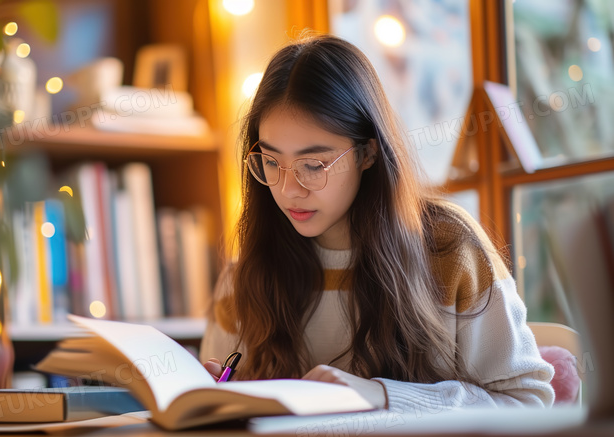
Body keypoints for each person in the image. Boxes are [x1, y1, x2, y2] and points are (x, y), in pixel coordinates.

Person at [200, 34, 554, 413]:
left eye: (313, 165)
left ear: (368, 153)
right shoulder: (248, 272)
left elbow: (528, 402)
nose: (288, 190)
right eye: (271, 162)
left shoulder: (448, 247)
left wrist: (381, 395)